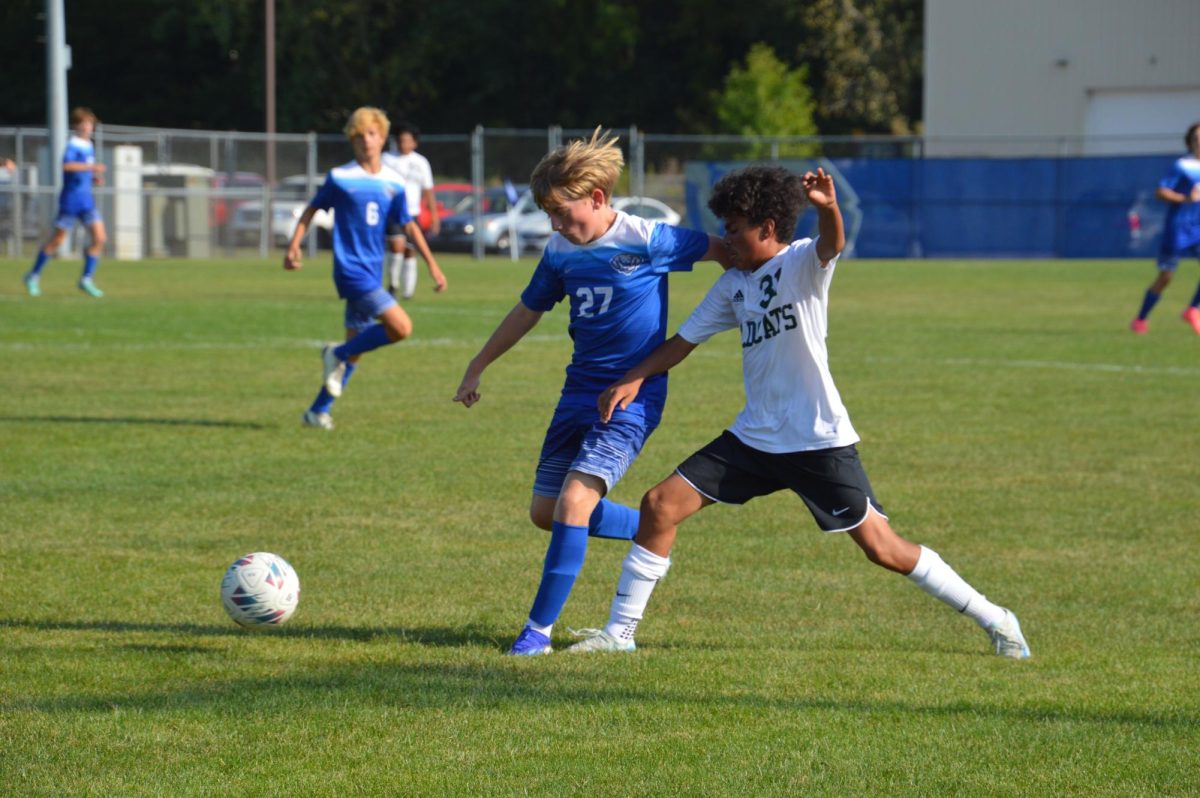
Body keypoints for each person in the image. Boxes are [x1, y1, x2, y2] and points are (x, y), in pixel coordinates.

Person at [568, 165, 1031, 660]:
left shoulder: (803, 264)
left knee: (883, 549)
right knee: (659, 504)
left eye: (735, 228)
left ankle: (996, 618)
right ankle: (619, 634)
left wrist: (827, 207)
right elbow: (682, 343)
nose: (726, 239)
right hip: (754, 439)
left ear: (767, 229)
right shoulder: (733, 286)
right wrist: (634, 376)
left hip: (816, 440)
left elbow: (832, 243)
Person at [453, 128, 731, 656]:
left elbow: (727, 253)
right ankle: (651, 529)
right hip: (576, 392)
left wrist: (779, 278)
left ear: (597, 198)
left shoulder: (649, 238)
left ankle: (537, 632)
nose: (556, 224)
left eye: (562, 211)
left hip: (631, 398)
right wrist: (478, 364)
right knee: (547, 511)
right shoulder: (561, 251)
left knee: (575, 501)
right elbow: (528, 310)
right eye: (549, 215)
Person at [284, 106, 446, 431]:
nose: (365, 141)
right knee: (401, 327)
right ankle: (336, 353)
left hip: (374, 271)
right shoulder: (341, 177)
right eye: (358, 136)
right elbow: (311, 210)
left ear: (382, 138)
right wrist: (294, 244)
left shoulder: (393, 182)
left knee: (358, 350)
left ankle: (317, 411)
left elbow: (409, 226)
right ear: (352, 141)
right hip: (350, 271)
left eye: (371, 134)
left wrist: (433, 266)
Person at [23, 107, 108, 298]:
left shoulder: (88, 145)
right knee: (57, 241)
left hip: (86, 199)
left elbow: (81, 171)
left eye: (90, 124)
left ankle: (86, 279)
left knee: (100, 238)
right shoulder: (74, 144)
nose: (88, 128)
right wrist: (91, 167)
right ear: (77, 126)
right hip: (71, 199)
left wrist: (93, 177)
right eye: (85, 124)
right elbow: (67, 165)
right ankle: (33, 275)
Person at [1130, 122, 1200, 335]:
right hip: (1178, 228)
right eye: (1196, 137)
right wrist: (1185, 198)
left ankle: (1192, 310)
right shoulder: (1182, 165)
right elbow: (1161, 192)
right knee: (1166, 277)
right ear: (1190, 141)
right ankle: (1141, 319)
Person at [381, 122, 440, 299]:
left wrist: (434, 216)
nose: (403, 144)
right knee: (396, 246)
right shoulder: (386, 159)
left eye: (407, 140)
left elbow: (428, 189)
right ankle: (393, 284)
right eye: (400, 140)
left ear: (414, 143)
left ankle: (408, 292)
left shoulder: (420, 162)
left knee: (410, 250)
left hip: (413, 212)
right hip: (393, 211)